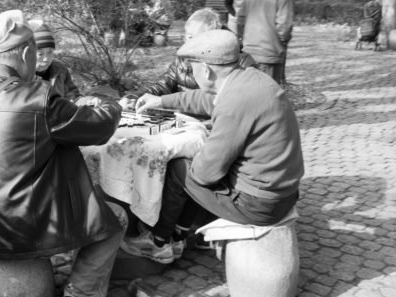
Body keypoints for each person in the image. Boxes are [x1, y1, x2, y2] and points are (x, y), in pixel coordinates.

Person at [0, 10, 125, 297]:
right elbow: (99, 128)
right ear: (27, 52)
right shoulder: (38, 97)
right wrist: (111, 103)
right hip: (21, 218)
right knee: (115, 220)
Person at [120, 29, 304, 264]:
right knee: (192, 166)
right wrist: (161, 100)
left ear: (205, 69)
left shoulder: (235, 102)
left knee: (179, 169)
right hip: (282, 190)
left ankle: (158, 243)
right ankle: (178, 235)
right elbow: (206, 100)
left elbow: (206, 174)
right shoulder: (248, 79)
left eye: (192, 67)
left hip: (259, 204)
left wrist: (197, 153)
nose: (191, 72)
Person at [119, 8, 256, 111]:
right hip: (183, 120)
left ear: (214, 36)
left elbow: (225, 102)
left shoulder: (240, 62)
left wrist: (164, 101)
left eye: (198, 38)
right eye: (188, 36)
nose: (191, 43)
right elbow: (163, 85)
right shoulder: (183, 57)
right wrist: (134, 97)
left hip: (213, 123)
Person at [235, 0, 293, 85]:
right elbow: (284, 26)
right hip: (269, 52)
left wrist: (243, 39)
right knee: (269, 94)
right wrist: (282, 43)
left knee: (248, 93)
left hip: (248, 52)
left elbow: (240, 20)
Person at [27, 21, 81, 101]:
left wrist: (86, 101)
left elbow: (74, 97)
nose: (46, 59)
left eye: (50, 52)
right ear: (28, 54)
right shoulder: (22, 76)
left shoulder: (60, 70)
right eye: (40, 54)